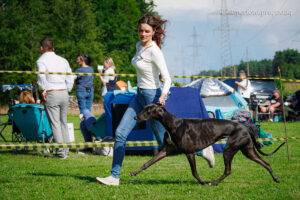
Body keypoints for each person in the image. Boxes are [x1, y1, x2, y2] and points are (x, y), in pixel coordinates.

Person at [96, 14, 214, 186]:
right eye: (140, 30)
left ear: (152, 32)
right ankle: (114, 177)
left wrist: (163, 95)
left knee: (168, 141)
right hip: (139, 96)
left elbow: (167, 79)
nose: (142, 34)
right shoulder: (138, 46)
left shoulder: (155, 51)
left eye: (146, 31)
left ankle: (202, 151)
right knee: (120, 133)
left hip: (152, 99)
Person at [37, 38, 74, 159]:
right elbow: (70, 76)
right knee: (63, 122)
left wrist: (43, 89)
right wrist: (67, 89)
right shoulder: (63, 60)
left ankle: (60, 152)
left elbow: (41, 77)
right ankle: (66, 150)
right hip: (64, 92)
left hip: (52, 93)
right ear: (53, 48)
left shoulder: (41, 61)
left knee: (55, 124)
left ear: (42, 48)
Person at [75, 55, 94, 119]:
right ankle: (89, 126)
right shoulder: (91, 69)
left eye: (78, 59)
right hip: (90, 91)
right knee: (88, 111)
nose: (77, 61)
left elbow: (74, 80)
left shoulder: (79, 70)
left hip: (81, 91)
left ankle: (84, 126)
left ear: (82, 61)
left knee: (83, 111)